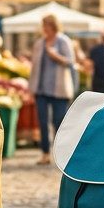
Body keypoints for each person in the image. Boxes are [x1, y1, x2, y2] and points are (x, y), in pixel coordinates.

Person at [29, 14, 77, 165]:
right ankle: (45, 154)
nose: (44, 28)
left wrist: (55, 56)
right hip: (41, 89)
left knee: (59, 122)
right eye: (43, 25)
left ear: (53, 26)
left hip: (59, 90)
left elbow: (71, 62)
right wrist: (31, 88)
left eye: (47, 25)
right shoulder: (39, 43)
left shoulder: (63, 41)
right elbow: (34, 68)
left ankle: (61, 153)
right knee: (43, 122)